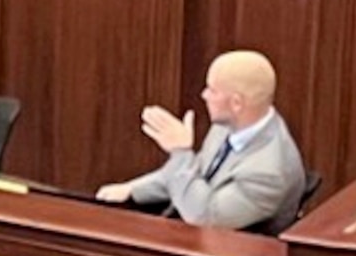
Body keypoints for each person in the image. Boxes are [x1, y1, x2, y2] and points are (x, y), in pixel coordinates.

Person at [98, 50, 308, 231]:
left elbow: (205, 218)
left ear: (236, 103)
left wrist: (180, 153)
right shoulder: (227, 126)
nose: (204, 95)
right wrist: (133, 190)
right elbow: (193, 173)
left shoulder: (268, 172)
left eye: (212, 90)